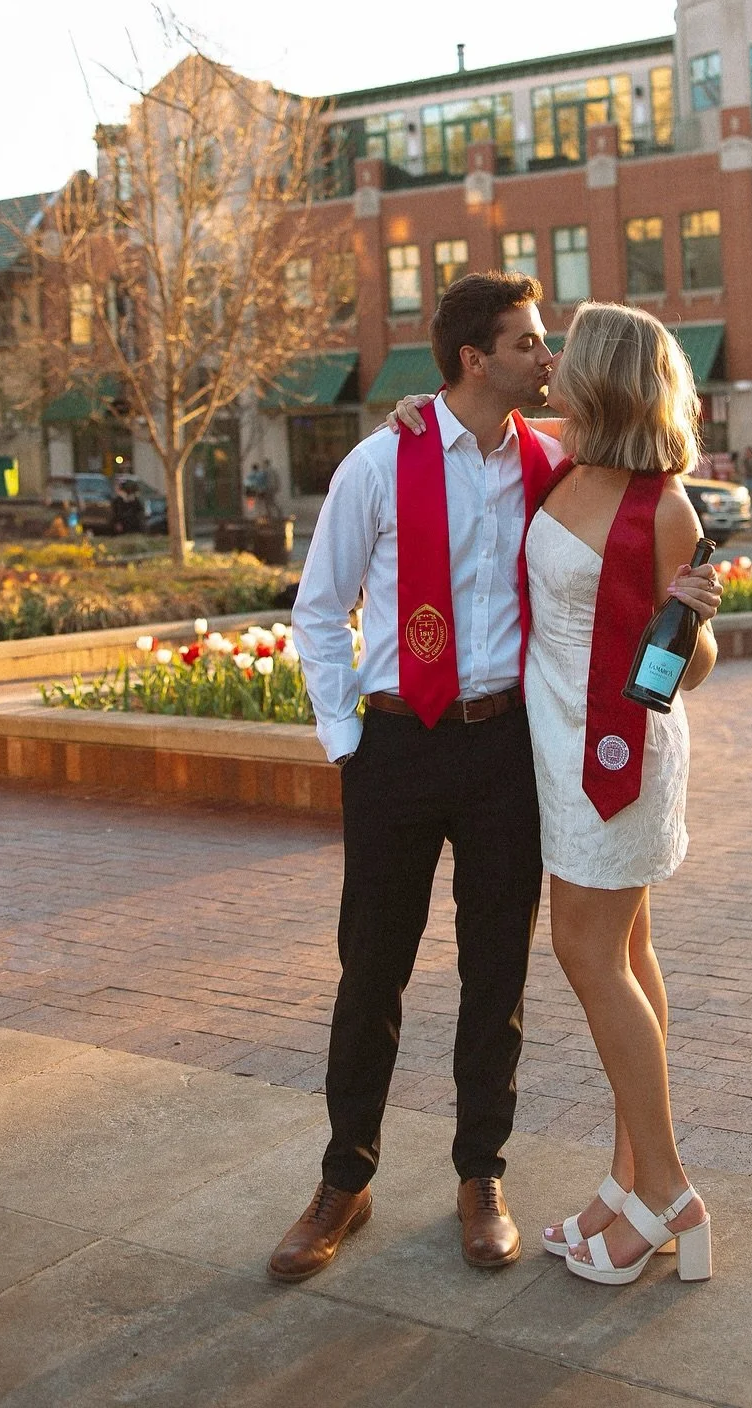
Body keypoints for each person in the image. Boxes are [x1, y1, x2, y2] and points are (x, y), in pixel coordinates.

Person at [396, 302, 723, 1287]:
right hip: (561, 749)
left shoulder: (665, 505)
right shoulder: (563, 463)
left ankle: (668, 1191)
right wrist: (416, 411)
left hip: (615, 760)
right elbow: (465, 435)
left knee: (589, 954)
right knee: (628, 952)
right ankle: (630, 1179)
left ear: (605, 375)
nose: (552, 362)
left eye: (568, 352)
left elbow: (693, 666)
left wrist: (695, 618)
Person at [270, 273, 565, 1284]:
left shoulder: (550, 462)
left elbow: (632, 435)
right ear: (474, 359)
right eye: (528, 343)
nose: (547, 356)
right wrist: (344, 741)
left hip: (503, 748)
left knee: (497, 973)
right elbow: (321, 607)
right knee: (372, 972)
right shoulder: (379, 463)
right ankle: (342, 1181)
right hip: (396, 747)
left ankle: (481, 1176)